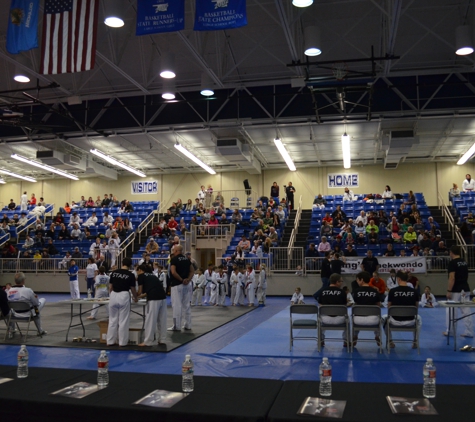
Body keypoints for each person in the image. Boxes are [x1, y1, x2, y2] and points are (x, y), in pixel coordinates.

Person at [384, 270, 421, 349]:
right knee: (419, 319)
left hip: (394, 320)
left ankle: (390, 341)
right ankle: (415, 341)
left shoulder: (392, 291)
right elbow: (416, 307)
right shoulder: (414, 292)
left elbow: (389, 307)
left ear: (398, 279)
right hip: (410, 321)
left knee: (383, 319)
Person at [107, 257, 137, 346]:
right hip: (124, 295)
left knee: (112, 319)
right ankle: (122, 342)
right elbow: (132, 289)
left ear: (122, 263)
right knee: (123, 321)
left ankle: (110, 341)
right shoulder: (131, 275)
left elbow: (110, 287)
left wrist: (111, 295)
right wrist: (135, 297)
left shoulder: (114, 272)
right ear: (130, 265)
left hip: (113, 295)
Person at [444, 245, 473, 338]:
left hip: (456, 290)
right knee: (466, 311)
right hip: (465, 288)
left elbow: (452, 278)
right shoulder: (464, 262)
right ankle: (469, 331)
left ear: (452, 253)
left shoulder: (453, 263)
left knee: (451, 310)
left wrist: (449, 290)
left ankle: (450, 331)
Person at [7, 272, 47, 337]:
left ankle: (11, 330)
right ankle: (40, 330)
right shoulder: (28, 290)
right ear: (23, 281)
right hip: (28, 313)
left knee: (10, 310)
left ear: (15, 281)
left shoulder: (9, 291)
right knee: (42, 302)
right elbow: (36, 303)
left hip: (15, 313)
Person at [136, 264, 167, 347]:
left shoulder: (141, 276)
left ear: (140, 270)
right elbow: (148, 291)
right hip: (163, 297)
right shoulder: (152, 276)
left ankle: (148, 341)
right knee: (162, 319)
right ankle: (162, 339)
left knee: (151, 320)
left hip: (153, 299)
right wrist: (139, 296)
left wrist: (135, 296)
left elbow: (140, 291)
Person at [315, 273, 348, 347]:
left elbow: (320, 305)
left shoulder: (322, 291)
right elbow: (345, 306)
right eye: (341, 281)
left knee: (320, 317)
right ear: (337, 282)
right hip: (340, 319)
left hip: (325, 319)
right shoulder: (342, 292)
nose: (342, 283)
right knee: (348, 320)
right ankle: (346, 340)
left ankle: (321, 339)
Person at [352, 271, 381, 347]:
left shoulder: (356, 292)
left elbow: (356, 303)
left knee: (355, 313)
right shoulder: (375, 291)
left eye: (358, 280)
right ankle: (377, 335)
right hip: (373, 320)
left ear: (361, 280)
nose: (357, 281)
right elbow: (378, 306)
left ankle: (355, 335)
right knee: (377, 314)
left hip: (358, 320)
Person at [168, 245, 194, 331]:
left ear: (175, 251)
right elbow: (192, 271)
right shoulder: (187, 259)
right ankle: (188, 325)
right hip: (187, 285)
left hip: (177, 284)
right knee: (186, 305)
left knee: (176, 305)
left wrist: (181, 280)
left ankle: (177, 326)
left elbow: (173, 272)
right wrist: (188, 279)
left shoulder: (174, 259)